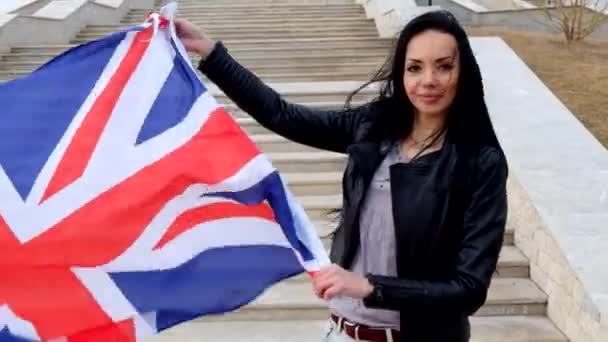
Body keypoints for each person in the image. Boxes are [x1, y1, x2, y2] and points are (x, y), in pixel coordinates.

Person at [175, 9, 508, 342]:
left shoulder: (480, 163)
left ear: (463, 73)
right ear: (401, 73)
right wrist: (212, 53)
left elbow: (469, 289)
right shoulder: (374, 127)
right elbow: (282, 114)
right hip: (342, 331)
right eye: (415, 67)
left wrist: (370, 286)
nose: (428, 80)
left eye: (444, 66)